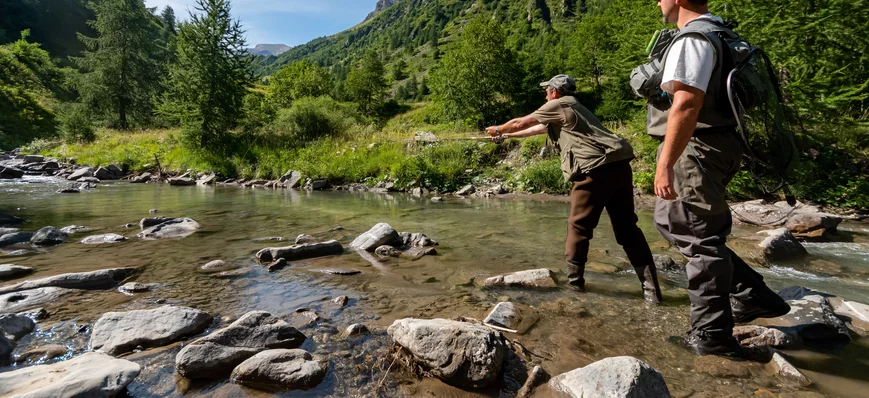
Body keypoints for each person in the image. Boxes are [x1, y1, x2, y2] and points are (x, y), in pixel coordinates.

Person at [644, 0, 791, 356]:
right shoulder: (721, 33)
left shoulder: (692, 39)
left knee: (698, 237)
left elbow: (686, 103)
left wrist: (665, 162)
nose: (658, 2)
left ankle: (712, 335)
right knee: (671, 220)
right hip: (720, 145)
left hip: (698, 149)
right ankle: (752, 294)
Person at [486, 74, 663, 304]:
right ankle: (652, 292)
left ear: (555, 92)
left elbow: (522, 122)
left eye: (547, 91)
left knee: (578, 227)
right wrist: (506, 135)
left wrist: (498, 128)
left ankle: (575, 288)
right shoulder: (574, 108)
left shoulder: (557, 104)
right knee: (627, 228)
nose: (545, 94)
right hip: (619, 166)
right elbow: (536, 129)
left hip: (594, 171)